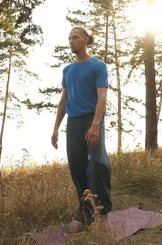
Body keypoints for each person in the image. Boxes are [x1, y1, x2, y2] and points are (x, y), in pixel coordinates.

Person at [51, 26, 112, 233]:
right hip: (74, 122)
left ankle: (104, 216)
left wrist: (95, 125)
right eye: (69, 38)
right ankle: (85, 218)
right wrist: (56, 128)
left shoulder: (98, 66)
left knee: (97, 164)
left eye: (75, 37)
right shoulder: (67, 70)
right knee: (77, 169)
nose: (71, 41)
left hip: (92, 119)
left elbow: (102, 97)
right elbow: (64, 100)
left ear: (86, 40)